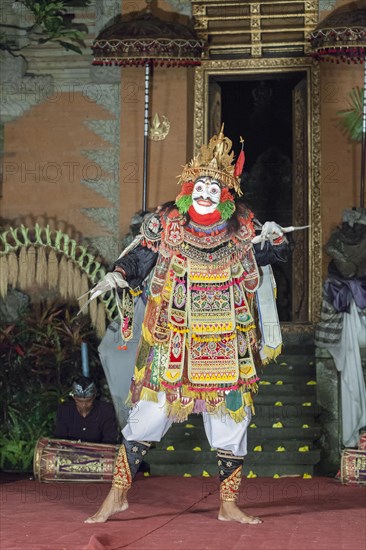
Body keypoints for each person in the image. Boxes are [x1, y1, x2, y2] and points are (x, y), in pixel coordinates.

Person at [85, 125, 290, 525]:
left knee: (232, 419)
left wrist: (275, 238)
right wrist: (119, 275)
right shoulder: (168, 221)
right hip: (173, 336)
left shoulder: (242, 224)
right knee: (147, 413)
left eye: (214, 188)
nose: (205, 193)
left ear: (226, 195)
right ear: (188, 186)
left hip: (225, 342)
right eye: (200, 185)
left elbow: (273, 254)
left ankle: (228, 503)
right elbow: (142, 257)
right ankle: (117, 496)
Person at [54, 376, 118, 444]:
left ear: (94, 396)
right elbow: (60, 439)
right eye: (79, 401)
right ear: (74, 397)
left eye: (88, 401)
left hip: (99, 452)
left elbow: (110, 440)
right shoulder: (65, 410)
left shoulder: (106, 410)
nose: (84, 405)